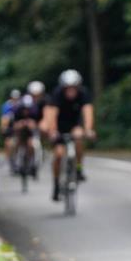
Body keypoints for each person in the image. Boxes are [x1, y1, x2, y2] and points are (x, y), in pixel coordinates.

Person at [43, 69, 95, 201]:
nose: (71, 91)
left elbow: (87, 112)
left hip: (74, 124)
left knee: (78, 140)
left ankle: (78, 169)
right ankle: (56, 184)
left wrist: (88, 129)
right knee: (59, 155)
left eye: (74, 88)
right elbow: (52, 114)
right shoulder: (57, 94)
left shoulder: (83, 94)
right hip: (59, 126)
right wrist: (52, 131)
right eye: (68, 88)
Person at [0, 89, 21, 174]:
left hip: (18, 125)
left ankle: (19, 159)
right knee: (8, 142)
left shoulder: (21, 104)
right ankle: (8, 159)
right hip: (10, 125)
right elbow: (4, 118)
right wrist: (3, 127)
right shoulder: (7, 105)